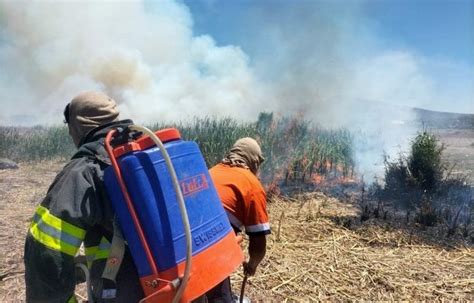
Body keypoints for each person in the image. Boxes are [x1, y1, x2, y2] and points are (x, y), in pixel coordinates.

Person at [24, 91, 144, 303]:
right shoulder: (146, 150)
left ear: (77, 127)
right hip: (179, 282)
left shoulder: (85, 171)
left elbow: (46, 253)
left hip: (126, 291)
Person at [206, 138, 271, 302]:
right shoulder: (252, 184)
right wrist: (252, 265)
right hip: (210, 249)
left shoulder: (211, 171)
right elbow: (258, 244)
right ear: (253, 160)